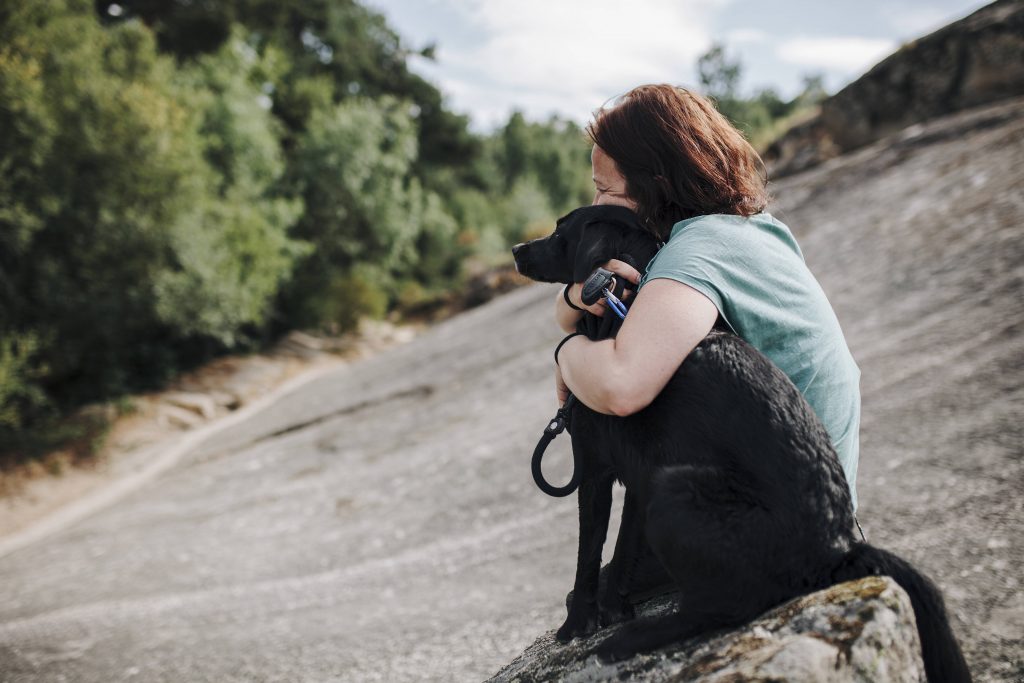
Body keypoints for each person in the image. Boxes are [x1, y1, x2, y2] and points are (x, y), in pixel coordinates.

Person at [555, 85, 862, 598]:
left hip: (773, 532)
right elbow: (578, 313)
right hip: (806, 508)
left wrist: (567, 359)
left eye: (606, 191)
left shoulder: (698, 254)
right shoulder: (748, 230)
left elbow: (621, 383)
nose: (595, 205)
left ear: (656, 184)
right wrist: (573, 298)